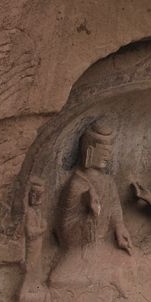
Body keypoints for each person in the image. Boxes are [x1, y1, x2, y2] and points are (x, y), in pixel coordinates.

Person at [50, 121, 132, 288]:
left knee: (131, 265)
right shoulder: (76, 185)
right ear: (89, 151)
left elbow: (115, 208)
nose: (107, 156)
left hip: (103, 246)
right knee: (57, 280)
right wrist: (89, 212)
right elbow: (64, 228)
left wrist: (119, 227)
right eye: (104, 152)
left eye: (109, 152)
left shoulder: (108, 182)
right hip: (79, 251)